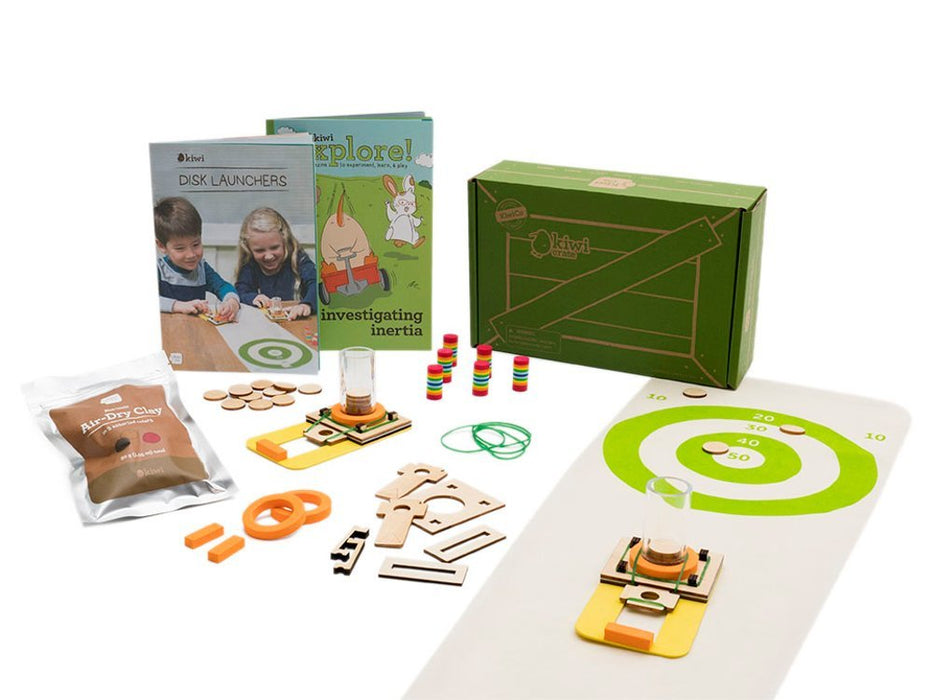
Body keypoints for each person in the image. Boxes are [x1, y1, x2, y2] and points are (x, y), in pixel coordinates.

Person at [154, 197, 240, 320]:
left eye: (196, 244)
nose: (191, 255)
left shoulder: (202, 268)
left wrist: (232, 301)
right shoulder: (159, 269)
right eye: (180, 248)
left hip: (197, 328)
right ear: (161, 246)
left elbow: (223, 286)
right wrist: (178, 306)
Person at [235, 207, 317, 320]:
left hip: (297, 321)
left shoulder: (298, 259)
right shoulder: (250, 265)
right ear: (248, 249)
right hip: (265, 324)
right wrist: (252, 298)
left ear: (285, 241)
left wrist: (306, 305)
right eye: (260, 250)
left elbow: (316, 284)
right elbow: (240, 291)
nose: (268, 256)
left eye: (274, 248)